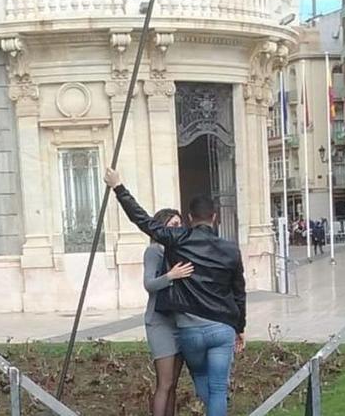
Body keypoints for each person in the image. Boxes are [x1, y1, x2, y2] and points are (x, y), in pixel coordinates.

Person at [105, 168, 246, 416]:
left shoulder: (178, 239)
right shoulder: (230, 249)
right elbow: (239, 291)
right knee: (217, 388)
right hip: (222, 326)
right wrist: (240, 327)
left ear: (190, 218)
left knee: (202, 378)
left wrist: (118, 187)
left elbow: (143, 220)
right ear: (214, 217)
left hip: (189, 330)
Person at [143, 208, 193, 416]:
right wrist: (171, 276)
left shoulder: (178, 251)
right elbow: (149, 284)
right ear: (162, 226)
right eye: (173, 225)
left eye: (179, 225)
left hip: (178, 321)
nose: (177, 229)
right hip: (159, 323)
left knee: (173, 383)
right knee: (164, 382)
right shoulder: (155, 250)